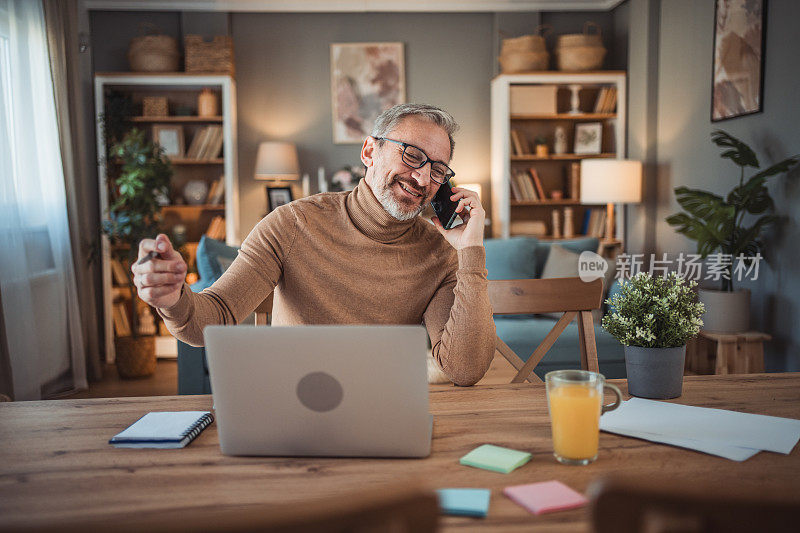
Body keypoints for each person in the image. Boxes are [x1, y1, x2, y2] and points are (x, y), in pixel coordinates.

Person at [132, 103, 495, 386]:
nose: (421, 177)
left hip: (385, 406)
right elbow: (213, 319)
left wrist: (470, 251)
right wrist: (173, 299)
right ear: (369, 151)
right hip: (293, 402)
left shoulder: (438, 252)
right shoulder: (292, 223)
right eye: (412, 155)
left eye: (437, 170)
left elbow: (464, 369)